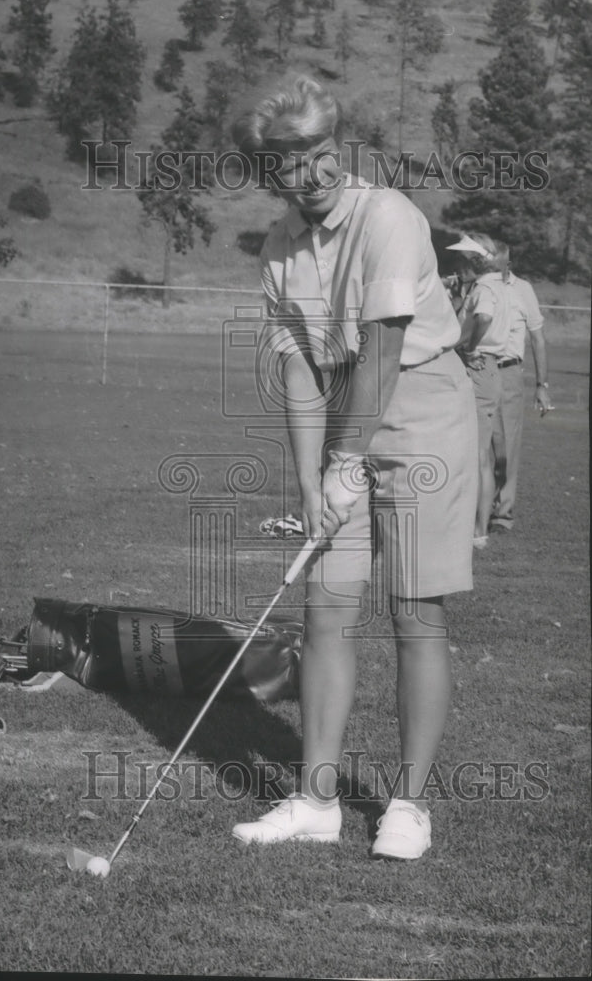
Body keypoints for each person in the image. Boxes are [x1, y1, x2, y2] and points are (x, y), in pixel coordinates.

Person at [229, 75, 477, 860]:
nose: (315, 170)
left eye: (322, 150)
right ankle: (316, 799)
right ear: (268, 172)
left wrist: (344, 464)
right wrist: (309, 481)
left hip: (422, 413)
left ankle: (408, 805)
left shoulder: (390, 217)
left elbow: (383, 351)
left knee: (414, 614)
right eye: (293, 160)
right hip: (344, 412)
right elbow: (303, 369)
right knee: (325, 609)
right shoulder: (278, 248)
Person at [445, 232, 510, 550]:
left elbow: (483, 317)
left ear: (474, 262)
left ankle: (477, 529)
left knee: (478, 453)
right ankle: (473, 526)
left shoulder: (485, 288)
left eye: (461, 260)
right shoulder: (492, 286)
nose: (457, 265)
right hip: (483, 369)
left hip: (479, 367)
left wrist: (468, 344)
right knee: (475, 451)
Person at [489, 241, 553, 532]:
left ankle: (503, 512)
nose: (488, 267)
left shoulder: (523, 290)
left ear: (508, 264)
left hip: (508, 372)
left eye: (494, 262)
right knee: (476, 443)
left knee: (507, 445)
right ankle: (475, 507)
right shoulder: (479, 287)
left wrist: (542, 385)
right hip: (476, 370)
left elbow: (538, 339)